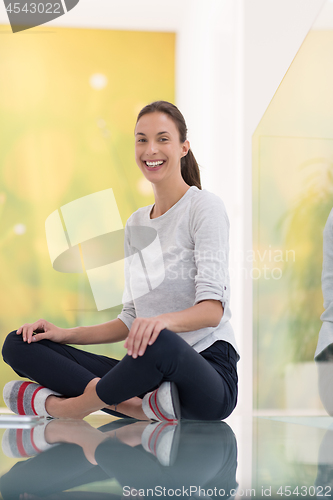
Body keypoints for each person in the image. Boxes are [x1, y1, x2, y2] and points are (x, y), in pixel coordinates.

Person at [2, 100, 239, 422]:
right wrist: (64, 334)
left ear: (184, 147)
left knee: (159, 343)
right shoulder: (136, 223)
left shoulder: (204, 207)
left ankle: (65, 408)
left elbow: (213, 311)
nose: (150, 149)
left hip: (207, 375)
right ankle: (137, 408)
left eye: (163, 138)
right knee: (19, 344)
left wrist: (160, 323)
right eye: (141, 139)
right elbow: (130, 319)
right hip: (152, 382)